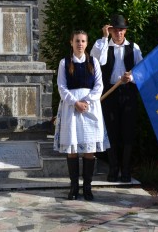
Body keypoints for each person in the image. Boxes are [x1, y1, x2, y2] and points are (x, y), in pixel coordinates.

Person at [54, 30, 109, 201]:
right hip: (71, 108)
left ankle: (87, 187)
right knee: (72, 150)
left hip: (90, 109)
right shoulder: (65, 63)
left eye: (83, 41)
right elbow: (61, 87)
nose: (80, 44)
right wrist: (75, 102)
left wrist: (86, 101)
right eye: (77, 40)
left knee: (89, 150)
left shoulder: (94, 62)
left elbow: (99, 86)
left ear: (87, 43)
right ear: (71, 42)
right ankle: (74, 187)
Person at [91, 14, 143, 183]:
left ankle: (126, 169)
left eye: (121, 30)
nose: (118, 33)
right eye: (115, 30)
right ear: (110, 30)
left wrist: (132, 78)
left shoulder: (134, 48)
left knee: (127, 131)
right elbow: (95, 60)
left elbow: (142, 71)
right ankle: (113, 168)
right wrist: (104, 38)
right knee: (111, 131)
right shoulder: (104, 45)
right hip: (109, 94)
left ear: (125, 32)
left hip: (128, 93)